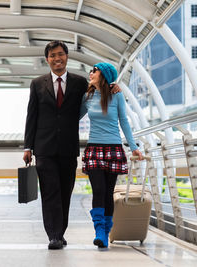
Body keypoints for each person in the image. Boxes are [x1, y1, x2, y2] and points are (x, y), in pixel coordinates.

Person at [23, 40, 89, 250]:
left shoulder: (79, 83)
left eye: (60, 54)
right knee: (50, 192)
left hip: (68, 148)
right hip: (44, 148)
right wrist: (28, 147)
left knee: (65, 192)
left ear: (67, 57)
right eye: (52, 55)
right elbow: (31, 116)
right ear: (47, 59)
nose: (57, 59)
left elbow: (96, 94)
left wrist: (112, 87)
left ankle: (60, 231)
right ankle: (54, 235)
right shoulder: (37, 83)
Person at [80, 62, 143, 249]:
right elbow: (73, 116)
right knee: (98, 190)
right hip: (94, 148)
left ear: (104, 75)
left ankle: (106, 232)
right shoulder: (88, 96)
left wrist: (133, 147)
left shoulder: (116, 95)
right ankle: (99, 230)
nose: (91, 73)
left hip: (114, 148)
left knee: (108, 192)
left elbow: (124, 121)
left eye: (95, 70)